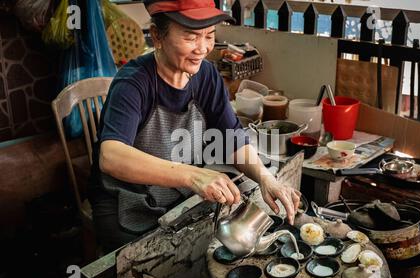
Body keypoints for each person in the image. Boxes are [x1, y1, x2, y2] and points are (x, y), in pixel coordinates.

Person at [88, 0, 301, 252]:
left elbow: (232, 138)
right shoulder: (133, 83)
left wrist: (266, 178)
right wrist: (193, 175)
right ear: (157, 36)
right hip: (128, 202)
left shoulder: (207, 76)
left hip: (176, 194)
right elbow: (111, 156)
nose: (202, 48)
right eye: (191, 37)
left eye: (209, 35)